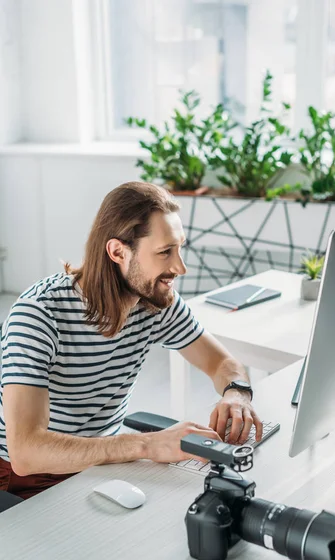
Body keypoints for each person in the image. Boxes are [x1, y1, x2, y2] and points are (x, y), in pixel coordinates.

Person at [0, 182, 262, 500]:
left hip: (98, 464)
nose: (180, 267)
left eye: (180, 248)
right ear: (118, 252)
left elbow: (221, 362)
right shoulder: (39, 313)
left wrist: (237, 395)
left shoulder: (155, 300)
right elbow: (27, 452)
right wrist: (148, 445)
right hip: (23, 477)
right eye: (165, 252)